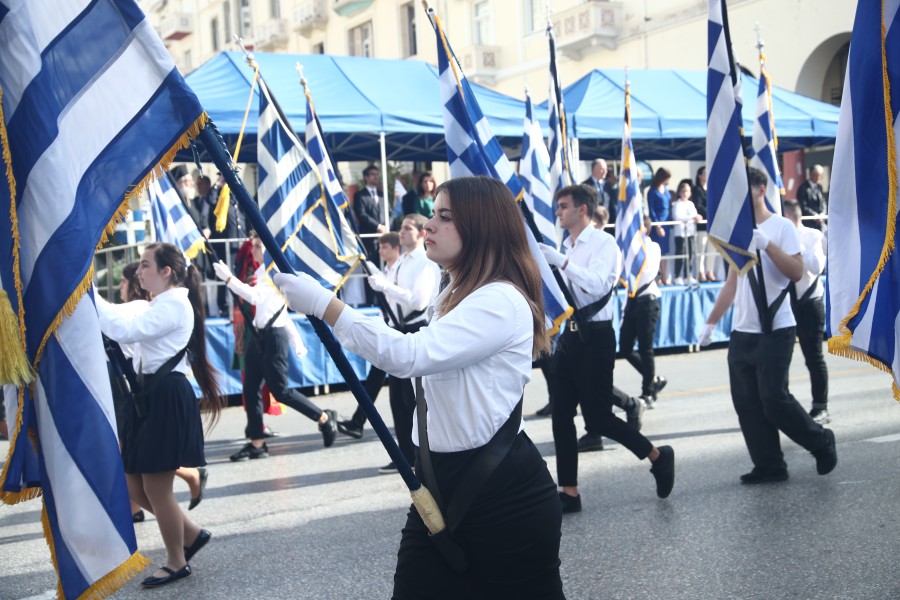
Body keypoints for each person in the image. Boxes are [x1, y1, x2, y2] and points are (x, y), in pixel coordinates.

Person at [275, 176, 565, 599]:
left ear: (482, 227)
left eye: (444, 217)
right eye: (433, 214)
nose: (428, 225)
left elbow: (409, 356)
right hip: (439, 481)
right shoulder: (455, 292)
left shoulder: (500, 300)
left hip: (503, 495)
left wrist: (326, 305)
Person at [539, 184, 675, 514]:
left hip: (596, 336)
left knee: (598, 418)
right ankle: (569, 491)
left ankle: (657, 456)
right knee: (561, 415)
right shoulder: (567, 243)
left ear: (582, 209)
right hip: (567, 337)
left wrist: (561, 261)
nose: (558, 212)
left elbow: (599, 284)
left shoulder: (604, 243)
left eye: (563, 206)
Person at [698, 167, 837, 485]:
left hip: (776, 325)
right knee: (747, 403)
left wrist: (768, 246)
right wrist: (711, 322)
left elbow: (797, 272)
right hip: (742, 330)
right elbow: (732, 282)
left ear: (761, 189)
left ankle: (820, 440)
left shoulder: (782, 227)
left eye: (744, 189)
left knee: (773, 398)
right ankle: (769, 464)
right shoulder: (737, 231)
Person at [97, 243, 221, 588]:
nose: (139, 271)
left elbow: (125, 331)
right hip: (149, 395)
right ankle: (191, 534)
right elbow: (119, 318)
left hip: (166, 395)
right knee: (134, 485)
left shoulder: (175, 304)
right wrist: (86, 292)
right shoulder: (155, 304)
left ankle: (177, 560)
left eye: (145, 264)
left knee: (155, 487)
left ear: (166, 271)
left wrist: (84, 292)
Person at [213, 234, 337, 460]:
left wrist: (229, 279)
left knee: (280, 391)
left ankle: (324, 418)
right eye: (254, 247)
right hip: (259, 334)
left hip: (274, 337)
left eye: (259, 247)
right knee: (250, 389)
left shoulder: (274, 274)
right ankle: (257, 443)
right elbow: (268, 309)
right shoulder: (260, 273)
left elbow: (255, 299)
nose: (254, 251)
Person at [107, 263, 209, 522]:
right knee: (138, 460)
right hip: (138, 387)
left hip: (144, 388)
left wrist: (86, 292)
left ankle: (150, 516)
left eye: (123, 281)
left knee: (146, 467)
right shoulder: (152, 307)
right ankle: (178, 520)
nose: (121, 286)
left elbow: (116, 322)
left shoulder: (145, 307)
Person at [362, 215, 441, 473]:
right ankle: (405, 456)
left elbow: (417, 302)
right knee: (397, 398)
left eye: (408, 228)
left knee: (413, 399)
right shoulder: (401, 262)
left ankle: (424, 455)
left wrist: (386, 286)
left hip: (416, 328)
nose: (402, 232)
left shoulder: (425, 262)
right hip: (397, 329)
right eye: (402, 228)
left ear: (419, 233)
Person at [783, 201, 830, 424]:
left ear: (790, 218)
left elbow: (816, 267)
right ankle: (782, 409)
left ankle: (820, 406)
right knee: (779, 358)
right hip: (786, 305)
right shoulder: (778, 238)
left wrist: (795, 245)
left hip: (810, 303)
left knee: (813, 357)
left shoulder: (812, 236)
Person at [618, 215, 668, 410]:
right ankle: (653, 378)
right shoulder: (629, 251)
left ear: (644, 230)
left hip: (647, 301)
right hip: (631, 300)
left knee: (646, 348)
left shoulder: (652, 247)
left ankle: (648, 392)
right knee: (625, 348)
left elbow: (646, 271)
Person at [671, 179, 701, 285]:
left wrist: (695, 217)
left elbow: (695, 215)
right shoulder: (677, 204)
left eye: (687, 191)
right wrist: (692, 217)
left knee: (691, 254)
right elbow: (678, 216)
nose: (685, 193)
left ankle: (688, 275)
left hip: (690, 232)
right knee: (681, 253)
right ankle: (677, 275)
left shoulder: (691, 204)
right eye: (683, 191)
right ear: (679, 192)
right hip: (680, 233)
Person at [647, 167, 673, 285]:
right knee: (658, 251)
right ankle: (658, 276)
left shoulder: (666, 189)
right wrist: (657, 225)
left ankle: (665, 275)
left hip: (667, 222)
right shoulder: (652, 191)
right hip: (659, 223)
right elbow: (652, 211)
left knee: (665, 251)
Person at [692, 166, 718, 282]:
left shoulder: (711, 189)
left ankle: (710, 271)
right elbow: (698, 206)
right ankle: (701, 272)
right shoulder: (697, 190)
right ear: (700, 176)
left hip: (712, 225)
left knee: (711, 249)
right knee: (701, 249)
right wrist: (710, 213)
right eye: (704, 173)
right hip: (702, 225)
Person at [581, 158, 616, 224]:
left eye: (606, 169)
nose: (605, 171)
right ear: (595, 170)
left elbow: (612, 204)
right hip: (594, 223)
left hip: (608, 223)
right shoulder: (585, 185)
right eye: (603, 169)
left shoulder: (607, 185)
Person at [796, 165, 827, 231]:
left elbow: (823, 202)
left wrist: (822, 213)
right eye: (817, 175)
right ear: (810, 174)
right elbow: (803, 206)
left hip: (820, 222)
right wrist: (814, 215)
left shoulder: (819, 187)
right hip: (809, 223)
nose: (819, 178)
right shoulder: (803, 188)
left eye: (820, 175)